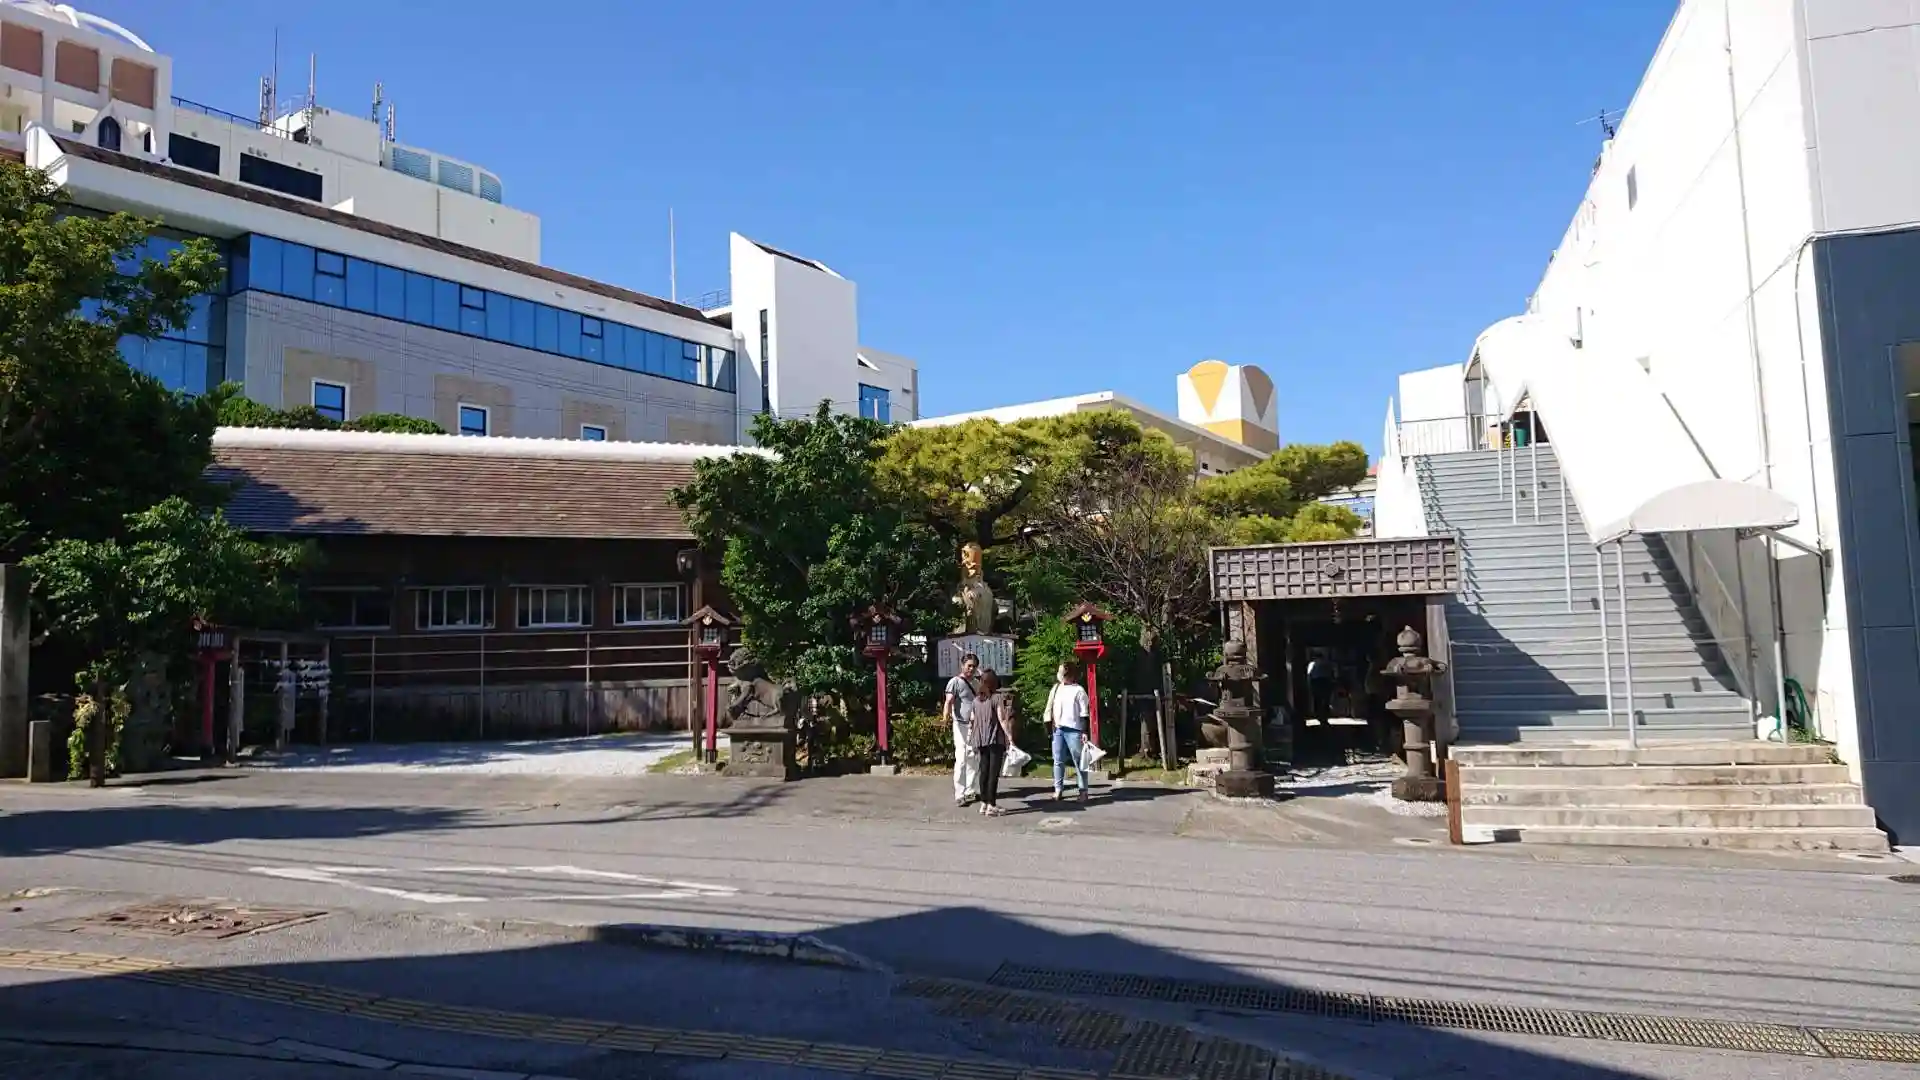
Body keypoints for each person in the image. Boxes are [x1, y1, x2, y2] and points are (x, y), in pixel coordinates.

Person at [967, 669, 1015, 815]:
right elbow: (1002, 719)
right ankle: (991, 805)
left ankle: (983, 803)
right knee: (993, 773)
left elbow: (972, 720)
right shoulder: (996, 698)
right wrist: (1009, 737)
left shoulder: (976, 700)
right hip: (994, 738)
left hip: (980, 739)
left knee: (984, 771)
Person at [1043, 661, 1092, 803]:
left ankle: (1083, 791)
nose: (1060, 675)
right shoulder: (1057, 688)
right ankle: (1058, 789)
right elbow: (1050, 707)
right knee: (1058, 760)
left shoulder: (1079, 690)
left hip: (1074, 730)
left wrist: (1084, 731)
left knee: (1079, 761)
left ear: (1070, 674)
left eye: (1063, 672)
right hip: (1058, 729)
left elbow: (1084, 713)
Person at [943, 653, 981, 806]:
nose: (971, 669)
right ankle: (959, 793)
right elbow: (948, 702)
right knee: (961, 758)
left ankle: (970, 790)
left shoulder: (977, 683)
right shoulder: (955, 682)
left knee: (973, 757)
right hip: (960, 724)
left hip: (975, 725)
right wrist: (945, 717)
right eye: (969, 665)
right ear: (962, 665)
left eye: (974, 666)